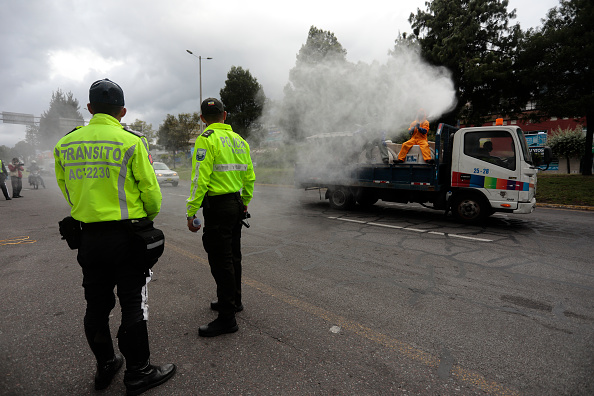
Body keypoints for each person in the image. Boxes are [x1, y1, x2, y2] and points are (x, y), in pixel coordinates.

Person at [54, 78, 175, 395]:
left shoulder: (65, 144)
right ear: (122, 111)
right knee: (132, 302)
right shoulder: (132, 142)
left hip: (89, 239)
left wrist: (90, 212)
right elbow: (152, 196)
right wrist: (145, 219)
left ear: (90, 108)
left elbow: (68, 190)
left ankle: (106, 363)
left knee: (95, 306)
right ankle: (138, 372)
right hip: (127, 237)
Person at [186, 97, 256, 337]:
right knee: (233, 256)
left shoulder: (206, 140)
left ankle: (227, 318)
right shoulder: (239, 141)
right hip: (236, 204)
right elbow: (250, 177)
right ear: (225, 116)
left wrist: (191, 211)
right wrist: (244, 203)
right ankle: (234, 301)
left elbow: (199, 180)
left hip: (218, 206)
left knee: (221, 260)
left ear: (203, 119)